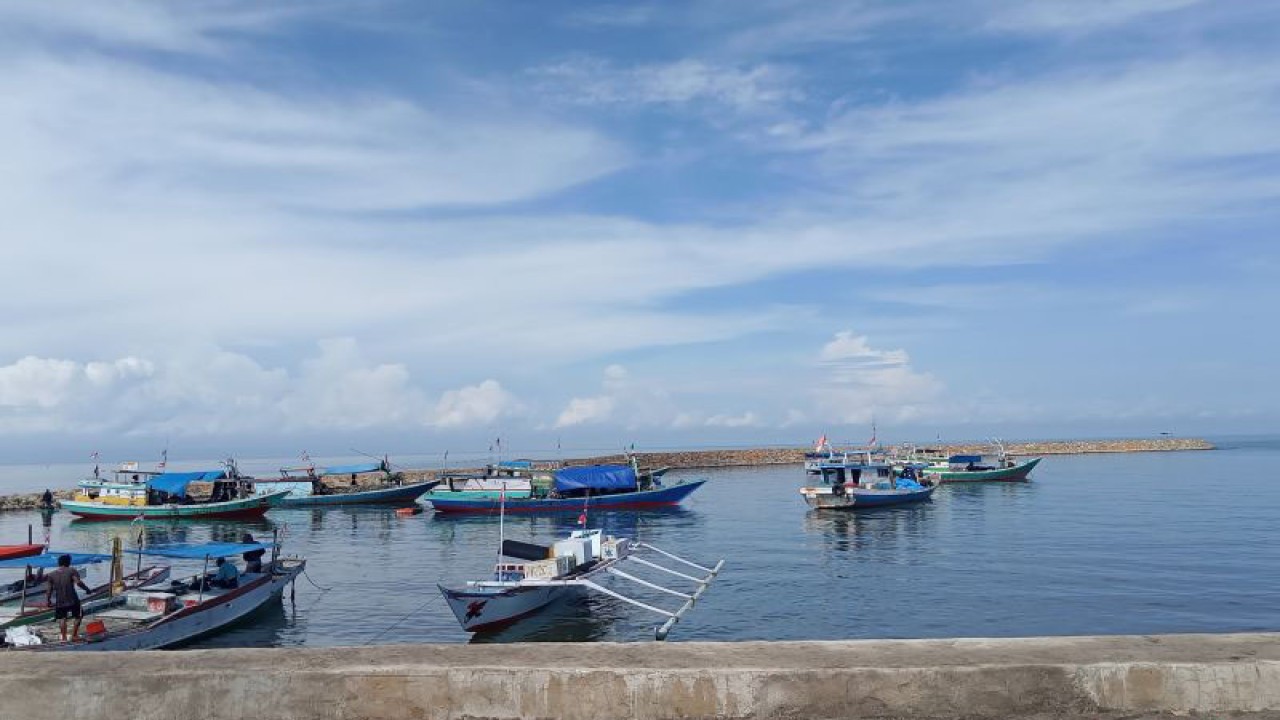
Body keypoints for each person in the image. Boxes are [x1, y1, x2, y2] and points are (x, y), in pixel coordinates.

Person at [45, 555, 91, 642]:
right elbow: (78, 582)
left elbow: (49, 590)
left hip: (60, 600)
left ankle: (64, 638)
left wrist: (48, 600)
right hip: (72, 599)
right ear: (68, 562)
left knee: (62, 618)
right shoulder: (72, 571)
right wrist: (87, 589)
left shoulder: (51, 575)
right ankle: (74, 636)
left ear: (59, 563)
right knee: (79, 616)